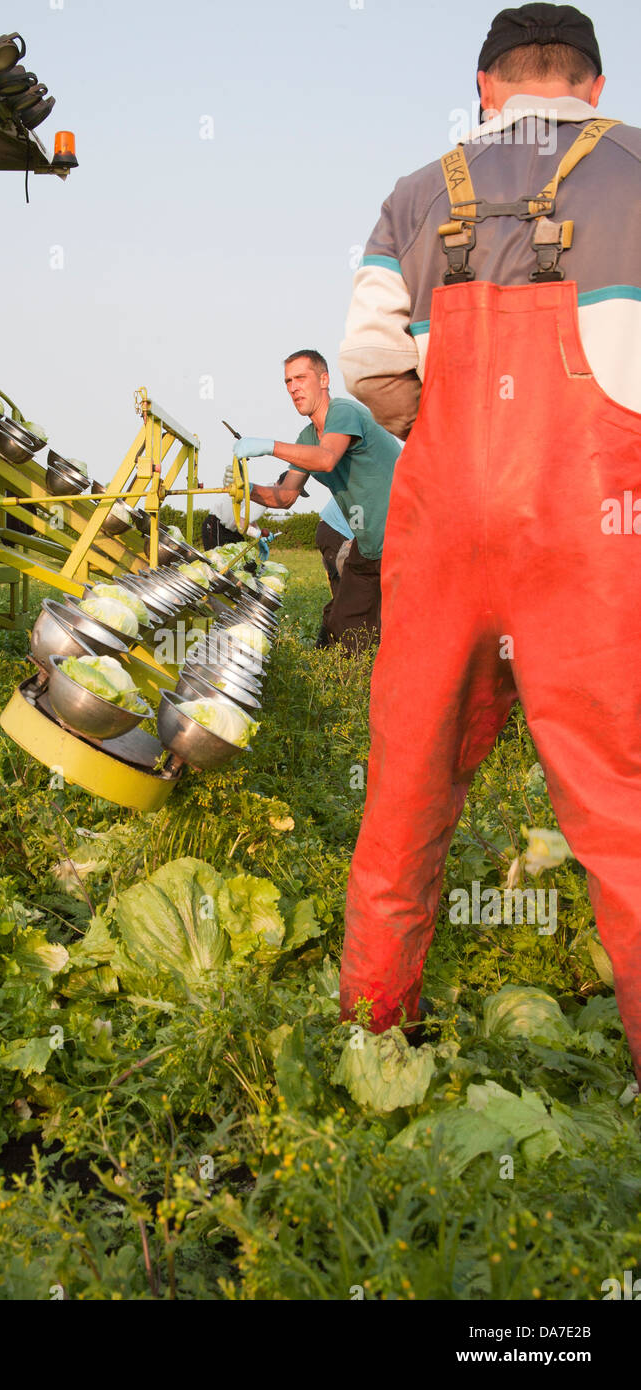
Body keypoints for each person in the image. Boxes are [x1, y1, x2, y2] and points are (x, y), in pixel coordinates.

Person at [336, 3, 641, 1085]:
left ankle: (373, 1033)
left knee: (406, 785)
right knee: (621, 805)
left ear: (484, 86)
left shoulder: (416, 194)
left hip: (445, 531)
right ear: (591, 87)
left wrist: (456, 436)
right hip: (597, 533)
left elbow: (368, 361)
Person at [234, 350, 401, 651]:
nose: (293, 388)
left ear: (324, 380)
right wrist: (243, 489)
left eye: (301, 378)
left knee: (414, 623)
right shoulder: (307, 437)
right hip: (370, 542)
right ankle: (346, 683)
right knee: (344, 626)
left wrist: (270, 446)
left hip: (409, 533)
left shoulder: (344, 412)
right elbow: (285, 496)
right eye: (287, 381)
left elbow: (326, 459)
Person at [314, 498, 355, 649]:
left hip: (334, 530)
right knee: (346, 592)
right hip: (336, 531)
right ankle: (326, 645)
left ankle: (330, 645)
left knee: (350, 591)